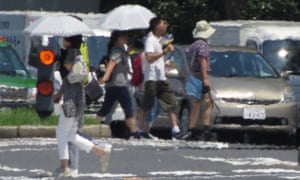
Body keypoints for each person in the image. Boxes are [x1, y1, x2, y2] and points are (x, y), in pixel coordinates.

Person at [54, 35, 112, 177]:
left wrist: (60, 61)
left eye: (64, 38)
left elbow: (69, 72)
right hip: (79, 97)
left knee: (61, 132)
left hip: (71, 99)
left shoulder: (71, 53)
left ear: (69, 40)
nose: (62, 40)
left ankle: (64, 167)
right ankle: (101, 151)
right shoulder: (79, 52)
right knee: (71, 134)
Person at [138, 17, 181, 139]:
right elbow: (150, 58)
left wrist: (165, 62)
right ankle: (141, 129)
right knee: (147, 104)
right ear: (157, 26)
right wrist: (165, 51)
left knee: (170, 102)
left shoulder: (160, 40)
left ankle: (175, 128)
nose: (166, 25)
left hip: (161, 77)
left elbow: (158, 58)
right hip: (151, 78)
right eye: (163, 23)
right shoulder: (150, 40)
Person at [96, 30, 140, 139]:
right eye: (124, 36)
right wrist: (105, 77)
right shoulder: (117, 51)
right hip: (119, 85)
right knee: (129, 108)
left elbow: (121, 66)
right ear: (118, 38)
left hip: (115, 85)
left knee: (106, 108)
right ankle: (134, 132)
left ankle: (96, 124)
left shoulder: (120, 51)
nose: (126, 38)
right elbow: (111, 65)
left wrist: (127, 53)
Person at [178, 20, 216, 141]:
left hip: (193, 75)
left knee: (196, 104)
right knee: (209, 103)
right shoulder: (203, 45)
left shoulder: (194, 45)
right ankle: (206, 129)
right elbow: (202, 61)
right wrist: (205, 79)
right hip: (200, 76)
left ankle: (192, 129)